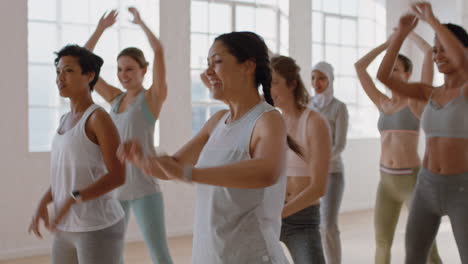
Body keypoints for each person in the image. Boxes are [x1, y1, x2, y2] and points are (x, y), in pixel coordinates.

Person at [119, 31, 295, 264]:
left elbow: (266, 171)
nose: (208, 72)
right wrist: (144, 159)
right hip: (211, 254)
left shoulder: (268, 119)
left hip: (253, 256)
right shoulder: (217, 121)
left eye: (217, 62)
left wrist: (192, 174)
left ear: (248, 66)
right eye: (207, 64)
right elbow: (173, 167)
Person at [377, 2, 468, 263]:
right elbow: (383, 76)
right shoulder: (429, 92)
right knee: (414, 257)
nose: (438, 55)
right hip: (426, 185)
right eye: (435, 50)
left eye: (444, 50)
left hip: (461, 189)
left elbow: (462, 60)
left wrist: (432, 19)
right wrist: (401, 34)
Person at [84, 8, 173, 264]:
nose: (124, 75)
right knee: (111, 254)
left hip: (145, 188)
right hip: (116, 189)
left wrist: (142, 23)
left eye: (130, 69)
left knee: (159, 253)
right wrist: (100, 30)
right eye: (121, 69)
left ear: (144, 70)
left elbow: (159, 51)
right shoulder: (114, 98)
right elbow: (84, 64)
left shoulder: (152, 99)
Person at [28, 45, 126, 264]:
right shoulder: (64, 120)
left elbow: (118, 176)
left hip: (97, 226)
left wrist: (71, 200)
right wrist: (42, 203)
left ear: (89, 76)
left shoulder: (98, 118)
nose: (60, 78)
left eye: (69, 71)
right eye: (58, 72)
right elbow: (66, 176)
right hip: (65, 227)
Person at [355, 31, 442, 264]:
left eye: (395, 69)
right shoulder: (382, 102)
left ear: (407, 74)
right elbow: (360, 68)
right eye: (388, 69)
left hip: (411, 182)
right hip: (385, 182)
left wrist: (409, 34)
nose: (388, 74)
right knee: (382, 243)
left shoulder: (416, 102)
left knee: (427, 246)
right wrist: (388, 44)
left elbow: (428, 53)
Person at [270, 55, 332, 264]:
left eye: (275, 83)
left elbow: (318, 188)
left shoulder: (315, 122)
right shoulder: (273, 122)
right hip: (271, 213)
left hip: (302, 220)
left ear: (292, 83)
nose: (269, 90)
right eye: (267, 83)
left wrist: (279, 214)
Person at [308, 61, 348, 264]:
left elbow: (339, 145)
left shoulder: (339, 107)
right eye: (313, 78)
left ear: (330, 79)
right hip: (309, 174)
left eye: (321, 78)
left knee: (329, 225)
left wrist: (320, 161)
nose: (316, 82)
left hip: (332, 173)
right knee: (311, 225)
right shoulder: (308, 105)